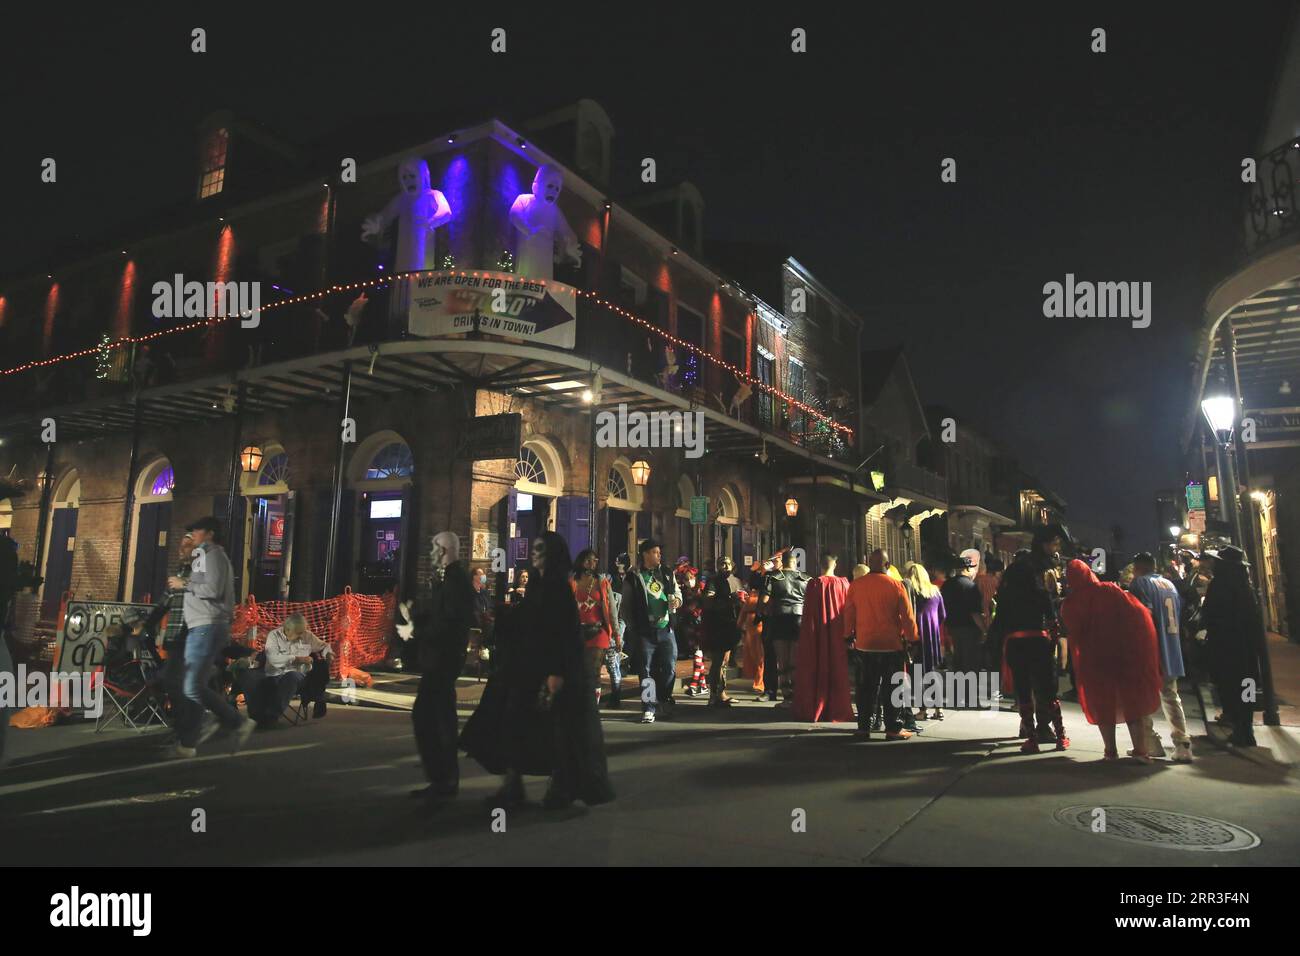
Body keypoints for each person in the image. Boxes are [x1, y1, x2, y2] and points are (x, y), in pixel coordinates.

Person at [461, 531, 614, 810]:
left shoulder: (558, 589)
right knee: (513, 726)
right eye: (535, 548)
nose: (535, 553)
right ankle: (513, 785)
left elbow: (564, 633)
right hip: (526, 668)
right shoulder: (537, 586)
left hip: (552, 670)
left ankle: (561, 789)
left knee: (559, 734)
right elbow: (529, 621)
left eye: (541, 549)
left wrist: (557, 673)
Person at [397, 531, 474, 805]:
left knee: (431, 716)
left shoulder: (456, 582)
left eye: (434, 548)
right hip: (441, 658)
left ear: (444, 550)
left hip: (444, 659)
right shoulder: (449, 580)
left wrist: (415, 629)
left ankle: (443, 778)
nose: (431, 553)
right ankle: (442, 778)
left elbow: (449, 623)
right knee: (435, 716)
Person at [166, 517, 253, 758]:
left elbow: (212, 590)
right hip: (202, 626)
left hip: (206, 626)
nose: (192, 533)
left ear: (210, 533)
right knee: (193, 685)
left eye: (197, 530)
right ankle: (193, 739)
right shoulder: (206, 555)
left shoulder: (209, 555)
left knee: (191, 686)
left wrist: (184, 583)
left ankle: (230, 720)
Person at [1060, 559, 1162, 762]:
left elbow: (1074, 632)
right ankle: (1140, 751)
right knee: (1132, 702)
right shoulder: (1109, 590)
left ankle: (1110, 751)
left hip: (1095, 660)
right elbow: (1137, 613)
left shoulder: (1071, 604)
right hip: (1124, 656)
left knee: (1102, 703)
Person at [994, 525, 1069, 753]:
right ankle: (1059, 734)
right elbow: (1047, 601)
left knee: (1023, 689)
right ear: (1045, 544)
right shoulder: (1041, 570)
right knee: (1047, 688)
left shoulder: (1014, 571)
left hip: (1016, 636)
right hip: (1038, 635)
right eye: (1054, 544)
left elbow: (1003, 604)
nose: (1056, 549)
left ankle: (1032, 737)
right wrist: (1055, 626)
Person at [842, 550, 917, 740]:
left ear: (869, 562)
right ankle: (893, 728)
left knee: (865, 688)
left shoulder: (857, 585)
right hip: (891, 645)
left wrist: (847, 636)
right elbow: (907, 617)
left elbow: (849, 613)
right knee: (892, 688)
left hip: (865, 644)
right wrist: (913, 638)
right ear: (887, 564)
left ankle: (863, 728)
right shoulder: (896, 586)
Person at [1128, 552, 1192, 762]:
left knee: (1141, 697)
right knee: (1171, 696)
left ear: (1138, 567)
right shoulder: (1169, 585)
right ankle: (1183, 744)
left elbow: (1141, 616)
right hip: (1171, 648)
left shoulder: (1140, 584)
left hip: (1151, 648)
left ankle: (1150, 743)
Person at [1199, 546, 1262, 748]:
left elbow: (1209, 615)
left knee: (1230, 687)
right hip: (1247, 649)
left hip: (1226, 647)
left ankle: (1240, 728)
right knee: (1248, 686)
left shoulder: (1219, 585)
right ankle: (1247, 728)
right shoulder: (1246, 586)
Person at [619, 538, 681, 724]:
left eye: (659, 552)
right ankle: (648, 707)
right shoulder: (633, 577)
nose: (659, 555)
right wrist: (633, 628)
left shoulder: (667, 573)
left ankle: (663, 697)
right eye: (655, 552)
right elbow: (626, 606)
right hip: (646, 631)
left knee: (670, 667)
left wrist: (677, 602)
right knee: (645, 670)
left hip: (666, 628)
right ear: (645, 554)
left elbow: (677, 593)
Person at [791, 554, 853, 723]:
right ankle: (837, 707)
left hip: (817, 635)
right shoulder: (844, 584)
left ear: (820, 564)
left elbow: (809, 616)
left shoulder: (815, 584)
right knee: (837, 668)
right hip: (838, 634)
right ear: (835, 563)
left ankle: (814, 704)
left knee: (816, 665)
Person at [251, 613, 333, 725]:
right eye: (298, 633)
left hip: (298, 676)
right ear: (287, 629)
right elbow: (273, 659)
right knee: (255, 679)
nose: (301, 636)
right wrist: (297, 659)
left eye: (302, 632)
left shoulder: (306, 635)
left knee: (292, 677)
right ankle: (257, 715)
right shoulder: (274, 636)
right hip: (275, 674)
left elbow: (324, 646)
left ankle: (271, 716)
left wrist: (329, 654)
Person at [760, 550, 809, 702]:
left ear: (784, 562)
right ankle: (794, 692)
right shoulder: (806, 578)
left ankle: (786, 692)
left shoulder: (773, 577)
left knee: (782, 659)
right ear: (795, 562)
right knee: (795, 658)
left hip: (779, 619)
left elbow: (764, 602)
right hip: (799, 620)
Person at [941, 550, 986, 708]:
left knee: (957, 664)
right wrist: (984, 630)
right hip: (969, 630)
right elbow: (975, 612)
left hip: (952, 628)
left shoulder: (947, 586)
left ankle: (957, 698)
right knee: (971, 665)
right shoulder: (971, 587)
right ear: (967, 569)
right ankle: (972, 699)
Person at [572, 549, 616, 705]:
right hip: (577, 632)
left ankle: (593, 705)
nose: (592, 563)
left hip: (598, 631)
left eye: (595, 560)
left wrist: (616, 635)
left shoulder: (602, 583)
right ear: (580, 561)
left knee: (594, 670)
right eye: (588, 560)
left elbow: (612, 610)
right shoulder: (572, 582)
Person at [903, 561, 946, 720]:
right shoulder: (935, 591)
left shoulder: (911, 591)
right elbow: (943, 614)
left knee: (917, 675)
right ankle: (939, 708)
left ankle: (922, 710)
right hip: (932, 637)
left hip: (917, 636)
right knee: (932, 672)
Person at [702, 557, 742, 708]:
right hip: (717, 625)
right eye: (721, 564)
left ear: (732, 565)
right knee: (718, 660)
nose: (724, 566)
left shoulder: (736, 581)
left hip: (732, 624)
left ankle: (721, 692)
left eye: (727, 563)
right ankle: (714, 694)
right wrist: (727, 600)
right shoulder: (714, 581)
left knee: (725, 661)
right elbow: (708, 601)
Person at [602, 554, 630, 707]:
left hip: (614, 632)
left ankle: (616, 696)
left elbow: (620, 617)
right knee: (612, 665)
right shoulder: (606, 591)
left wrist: (618, 633)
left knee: (613, 665)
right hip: (608, 631)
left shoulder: (617, 594)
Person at [737, 564, 765, 695]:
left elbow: (743, 612)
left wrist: (739, 625)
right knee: (759, 654)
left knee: (757, 655)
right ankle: (759, 681)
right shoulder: (761, 595)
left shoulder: (753, 596)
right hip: (756, 625)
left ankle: (759, 682)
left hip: (753, 625)